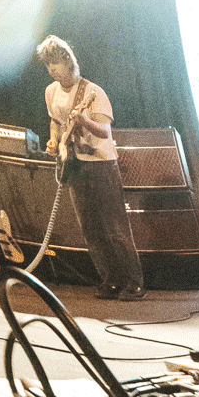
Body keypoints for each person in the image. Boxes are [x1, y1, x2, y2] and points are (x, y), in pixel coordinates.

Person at [37, 35, 145, 301]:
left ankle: (134, 282)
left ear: (68, 62)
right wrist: (53, 140)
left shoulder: (92, 91)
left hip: (100, 164)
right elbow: (55, 120)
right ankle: (110, 280)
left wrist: (84, 120)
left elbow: (104, 132)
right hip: (73, 164)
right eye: (47, 64)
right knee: (90, 228)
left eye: (55, 63)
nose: (51, 69)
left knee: (114, 227)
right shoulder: (51, 91)